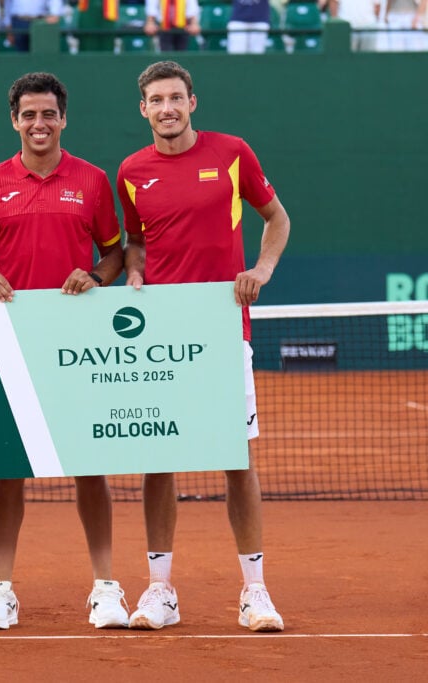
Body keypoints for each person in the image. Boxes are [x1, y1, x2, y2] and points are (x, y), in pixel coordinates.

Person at [116, 60, 290, 632]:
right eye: (156, 100)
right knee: (158, 460)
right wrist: (136, 274)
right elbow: (136, 245)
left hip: (221, 329)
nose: (167, 108)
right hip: (161, 336)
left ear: (193, 102)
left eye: (176, 98)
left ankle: (255, 592)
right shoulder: (132, 171)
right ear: (143, 110)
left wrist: (260, 270)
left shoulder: (232, 153)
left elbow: (276, 218)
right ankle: (160, 591)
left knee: (235, 460)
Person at [0, 72, 127, 631]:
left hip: (77, 346)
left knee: (89, 468)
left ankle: (106, 585)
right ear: (14, 120)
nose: (39, 124)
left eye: (49, 114)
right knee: (7, 470)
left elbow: (115, 253)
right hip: (12, 341)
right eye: (29, 115)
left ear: (64, 119)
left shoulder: (91, 180)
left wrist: (96, 276)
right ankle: (1, 587)